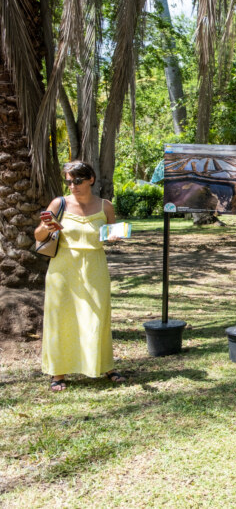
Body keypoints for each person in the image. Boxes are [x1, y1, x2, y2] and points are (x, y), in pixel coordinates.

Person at [34, 161, 126, 391]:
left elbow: (109, 233)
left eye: (77, 181)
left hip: (95, 265)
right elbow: (38, 234)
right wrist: (48, 228)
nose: (72, 186)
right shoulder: (60, 203)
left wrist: (114, 237)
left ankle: (105, 366)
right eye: (68, 181)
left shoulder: (105, 206)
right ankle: (58, 373)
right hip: (63, 266)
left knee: (97, 316)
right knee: (61, 318)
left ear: (90, 179)